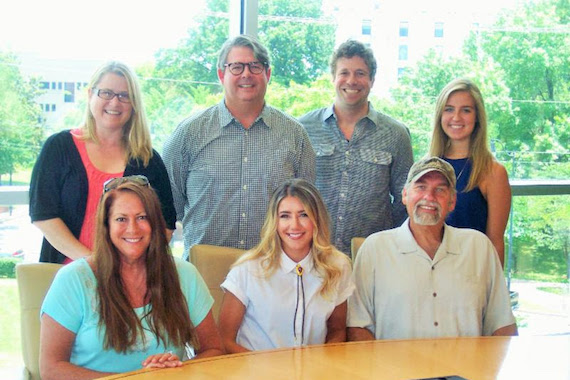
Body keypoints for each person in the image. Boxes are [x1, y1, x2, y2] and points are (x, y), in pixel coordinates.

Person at [39, 176, 223, 379]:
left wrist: (178, 370)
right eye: (121, 219)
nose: (133, 228)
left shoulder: (184, 274)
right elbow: (51, 368)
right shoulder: (73, 279)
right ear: (106, 226)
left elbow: (214, 350)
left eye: (142, 217)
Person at [163, 35, 315, 258]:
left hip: (273, 271)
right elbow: (165, 214)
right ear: (221, 75)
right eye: (236, 67)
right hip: (205, 273)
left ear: (268, 74)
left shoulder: (295, 135)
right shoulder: (188, 134)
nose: (246, 74)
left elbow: (307, 212)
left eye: (255, 66)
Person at [347, 157, 517, 341]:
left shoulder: (478, 247)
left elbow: (502, 324)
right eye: (421, 187)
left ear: (452, 201)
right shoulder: (375, 249)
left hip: (467, 368)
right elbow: (358, 325)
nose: (429, 197)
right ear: (405, 195)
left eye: (440, 190)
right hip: (396, 369)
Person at [29, 61, 176, 264]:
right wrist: (92, 263)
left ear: (134, 105)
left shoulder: (148, 160)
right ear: (90, 95)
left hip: (129, 281)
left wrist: (127, 267)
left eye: (124, 96)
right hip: (65, 276)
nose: (115, 103)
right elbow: (44, 215)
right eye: (106, 93)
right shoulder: (59, 147)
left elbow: (166, 226)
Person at [299, 39, 413, 255]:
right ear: (333, 77)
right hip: (312, 254)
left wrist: (391, 245)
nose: (351, 81)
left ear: (372, 79)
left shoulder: (396, 134)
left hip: (373, 257)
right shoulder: (303, 128)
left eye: (360, 73)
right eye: (344, 73)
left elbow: (404, 199)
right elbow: (291, 192)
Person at [218, 179, 354, 352]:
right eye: (285, 216)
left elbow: (337, 330)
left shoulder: (338, 266)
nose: (294, 225)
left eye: (304, 214)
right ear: (274, 222)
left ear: (317, 219)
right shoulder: (247, 270)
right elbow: (224, 340)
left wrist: (322, 365)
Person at [429, 78, 511, 267]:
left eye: (466, 110)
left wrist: (493, 292)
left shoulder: (493, 172)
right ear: (440, 115)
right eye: (449, 109)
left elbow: (495, 241)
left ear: (477, 117)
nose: (456, 117)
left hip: (472, 273)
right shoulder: (427, 166)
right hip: (429, 273)